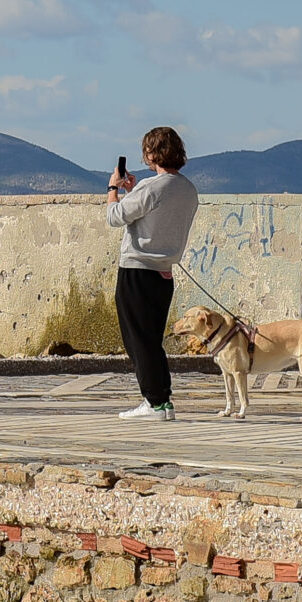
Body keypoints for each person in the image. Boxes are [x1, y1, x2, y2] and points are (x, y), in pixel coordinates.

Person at [107, 125, 198, 421]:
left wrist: (113, 190)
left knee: (137, 340)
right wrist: (134, 192)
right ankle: (163, 400)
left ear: (151, 153)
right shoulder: (187, 189)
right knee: (152, 339)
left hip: (137, 270)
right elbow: (158, 216)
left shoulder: (152, 187)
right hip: (164, 273)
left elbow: (115, 216)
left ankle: (154, 402)